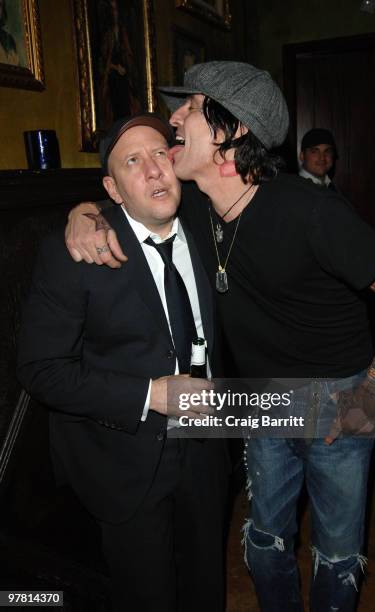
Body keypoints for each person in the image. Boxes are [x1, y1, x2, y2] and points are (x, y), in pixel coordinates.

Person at [64, 62, 375, 612]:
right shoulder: (195, 208)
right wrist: (81, 213)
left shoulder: (311, 211)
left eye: (191, 107)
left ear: (234, 130)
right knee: (263, 543)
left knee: (338, 556)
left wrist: (373, 394)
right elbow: (120, 207)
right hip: (258, 399)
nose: (174, 118)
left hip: (337, 399)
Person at [17, 113, 229, 612]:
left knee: (206, 588)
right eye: (134, 161)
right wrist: (151, 395)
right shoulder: (78, 253)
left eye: (161, 154)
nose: (154, 170)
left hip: (204, 451)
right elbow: (41, 368)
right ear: (113, 188)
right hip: (124, 462)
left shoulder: (207, 226)